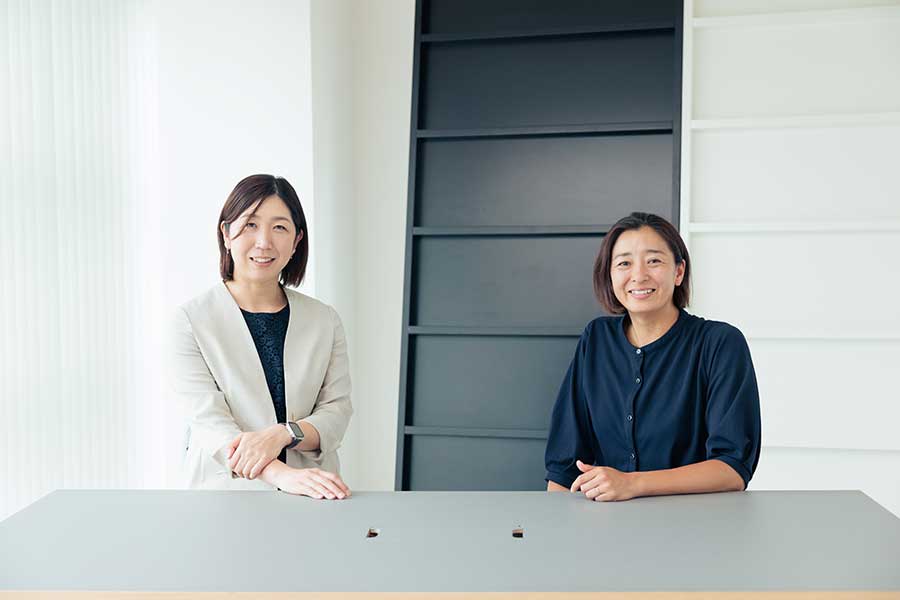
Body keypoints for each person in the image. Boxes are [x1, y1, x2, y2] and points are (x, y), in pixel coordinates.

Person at [545, 212, 761, 501]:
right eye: (624, 263)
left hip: (696, 529)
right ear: (610, 275)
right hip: (604, 529)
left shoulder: (719, 343)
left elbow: (732, 469)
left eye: (654, 260)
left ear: (679, 271)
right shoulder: (596, 338)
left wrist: (632, 483)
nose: (639, 275)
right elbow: (564, 466)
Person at [172, 174, 352, 499]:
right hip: (225, 497)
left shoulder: (324, 319)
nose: (264, 242)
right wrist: (281, 475)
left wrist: (284, 434)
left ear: (297, 240)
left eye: (279, 227)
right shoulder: (191, 320)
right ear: (226, 234)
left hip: (313, 495)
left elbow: (336, 411)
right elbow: (210, 424)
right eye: (251, 225)